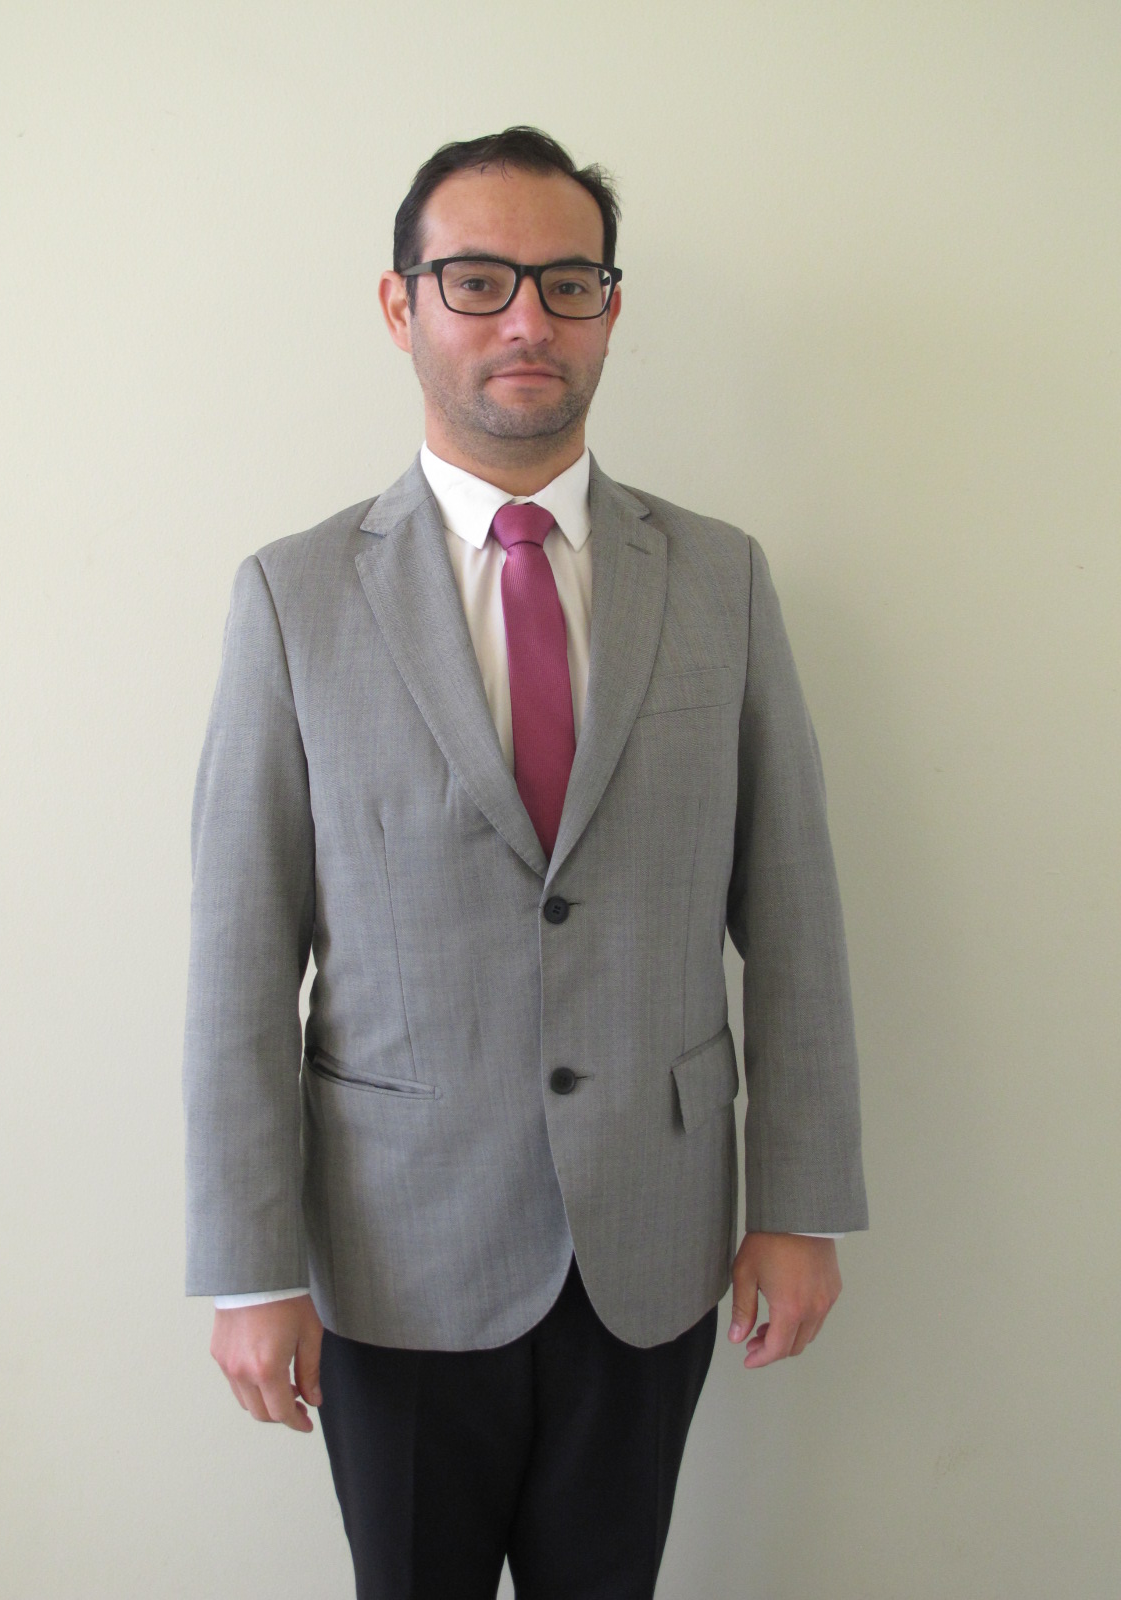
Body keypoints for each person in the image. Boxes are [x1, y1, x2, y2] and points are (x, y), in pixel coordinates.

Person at [184, 126, 868, 1599]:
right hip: (396, 1247)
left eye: (568, 283)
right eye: (478, 280)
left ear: (610, 309)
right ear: (401, 304)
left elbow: (795, 915)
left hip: (654, 1238)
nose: (526, 320)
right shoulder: (295, 598)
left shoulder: (721, 578)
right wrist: (250, 1268)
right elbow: (241, 957)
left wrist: (798, 1205)